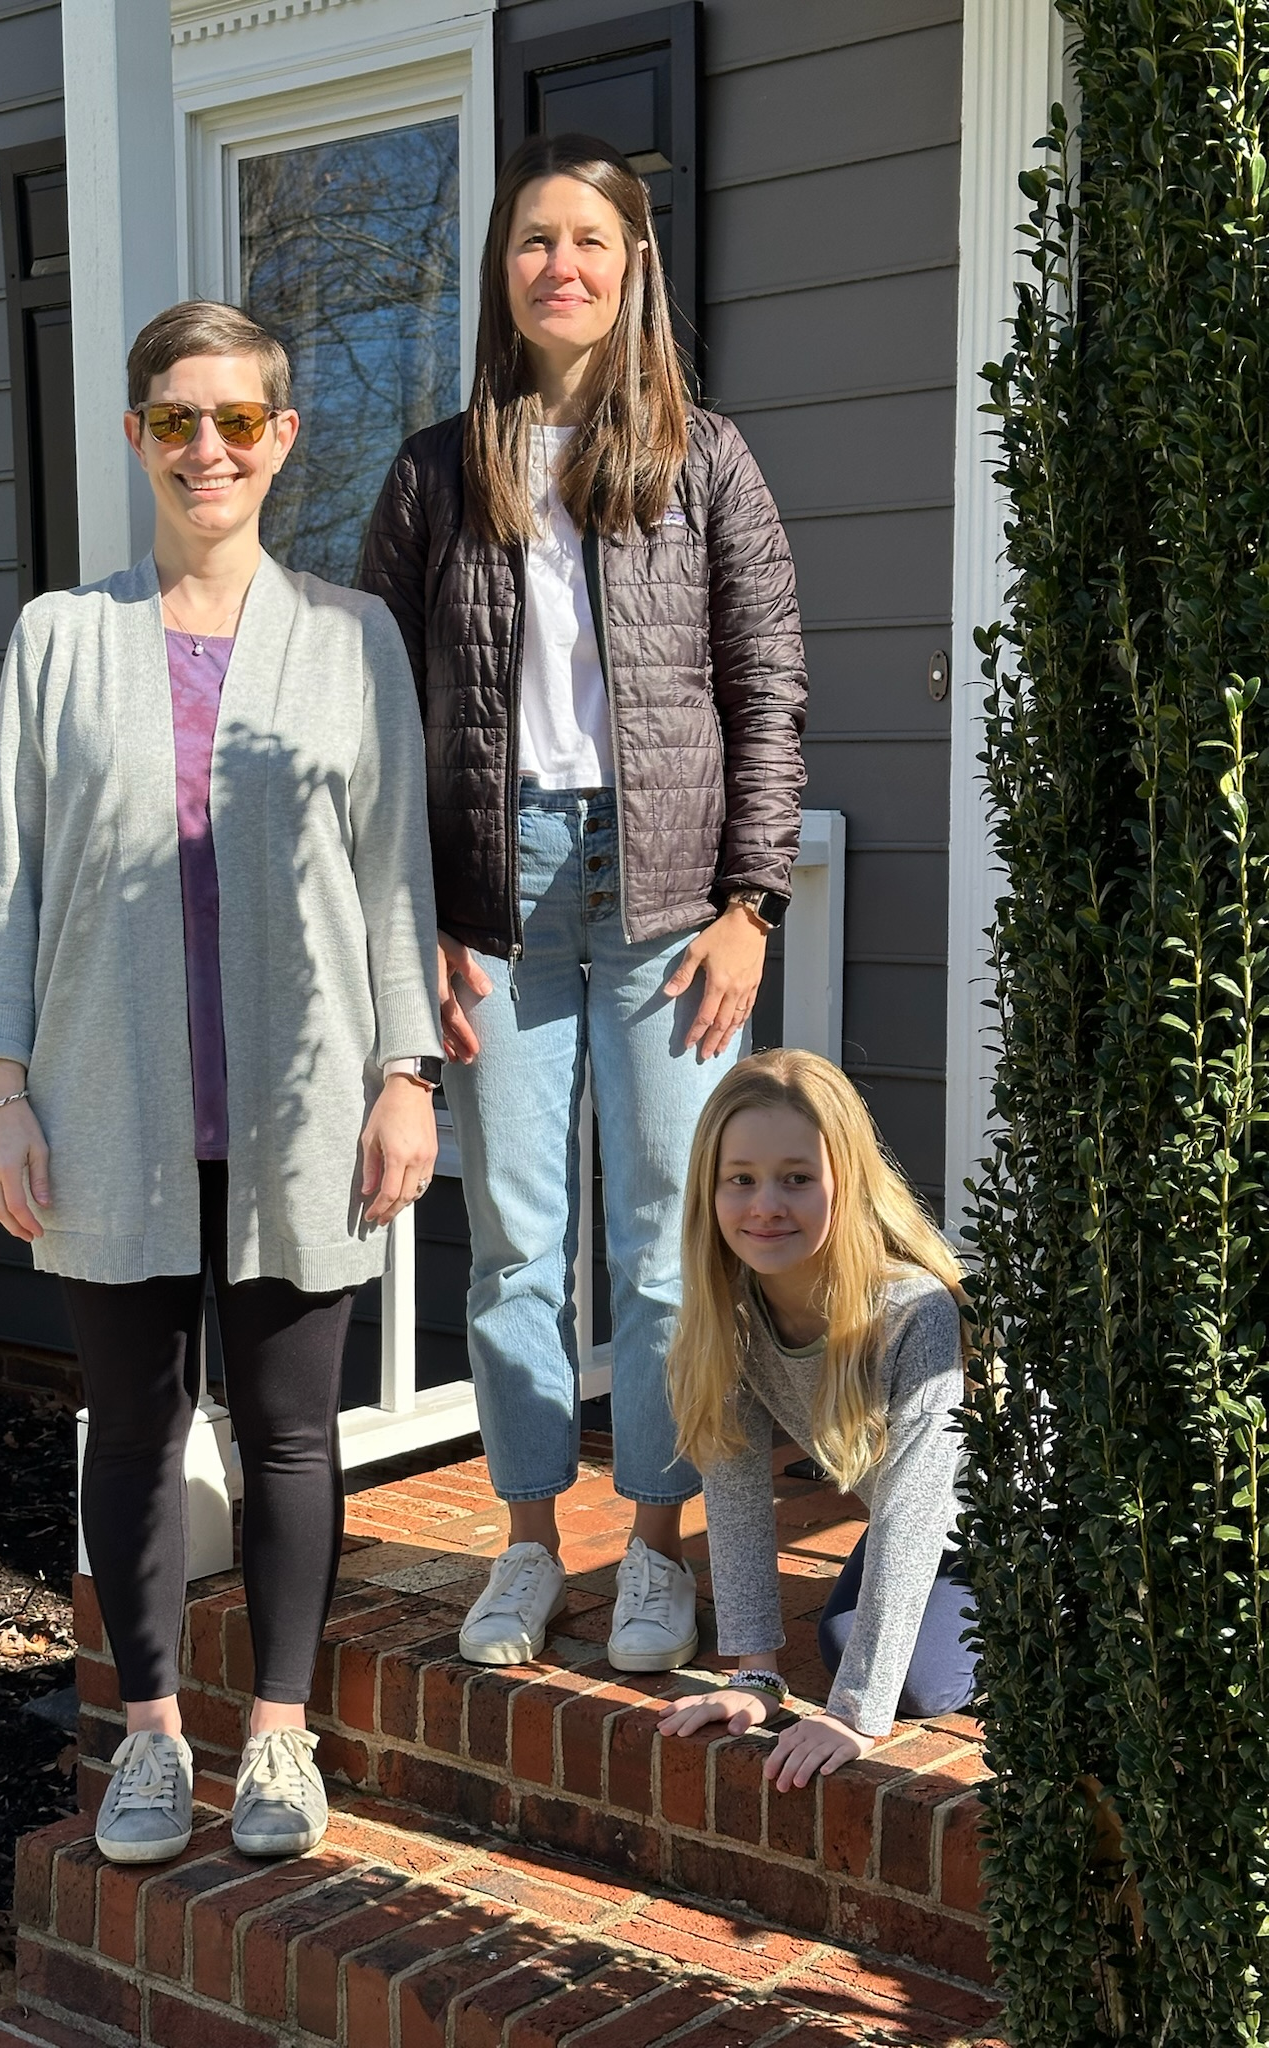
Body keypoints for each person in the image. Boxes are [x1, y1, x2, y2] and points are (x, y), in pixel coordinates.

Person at [0, 301, 443, 1866]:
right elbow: (13, 885)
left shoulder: (351, 639)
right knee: (131, 1426)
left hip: (302, 1110)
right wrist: (1, 1089)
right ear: (137, 435)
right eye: (177, 419)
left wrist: (405, 1074)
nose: (208, 449)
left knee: (293, 1435)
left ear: (282, 439)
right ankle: (155, 1736)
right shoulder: (60, 638)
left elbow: (393, 879)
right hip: (106, 1109)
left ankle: (282, 1736)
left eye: (238, 420)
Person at [359, 134, 807, 1674]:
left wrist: (751, 905)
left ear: (632, 268)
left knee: (672, 1247)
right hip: (495, 903)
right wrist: (413, 916)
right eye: (535, 240)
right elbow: (377, 715)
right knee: (512, 1246)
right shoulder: (434, 471)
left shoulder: (707, 461)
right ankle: (531, 1542)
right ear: (505, 272)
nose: (562, 264)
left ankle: (658, 1551)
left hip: (667, 895)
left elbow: (766, 687)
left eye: (589, 241)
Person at [656, 1049, 976, 1789]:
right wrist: (755, 1675)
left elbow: (916, 1508)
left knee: (911, 1680)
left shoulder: (913, 1312)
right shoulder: (730, 1315)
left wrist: (856, 1714)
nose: (766, 1204)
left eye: (797, 1178)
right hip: (928, 1522)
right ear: (709, 1189)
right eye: (741, 1179)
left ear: (847, 1182)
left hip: (1024, 1528)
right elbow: (735, 1487)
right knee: (843, 1640)